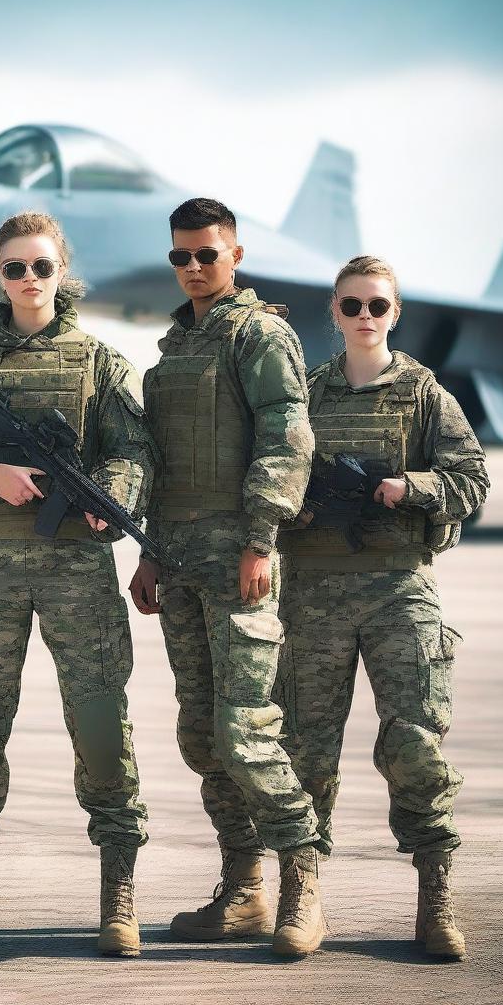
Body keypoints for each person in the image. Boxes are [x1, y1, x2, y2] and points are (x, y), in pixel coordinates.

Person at [0, 211, 155, 957]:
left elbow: (134, 454)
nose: (29, 280)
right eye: (15, 267)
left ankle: (118, 893)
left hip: (78, 572)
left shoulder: (101, 364)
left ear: (61, 272)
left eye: (41, 266)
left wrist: (109, 500)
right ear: (0, 275)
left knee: (102, 729)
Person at [275, 254, 490, 960]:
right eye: (350, 306)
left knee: (416, 745)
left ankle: (436, 898)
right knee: (306, 749)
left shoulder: (426, 394)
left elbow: (471, 481)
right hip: (313, 596)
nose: (364, 318)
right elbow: (268, 480)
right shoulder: (304, 395)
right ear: (332, 314)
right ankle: (301, 896)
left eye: (377, 306)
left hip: (400, 589)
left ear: (395, 314)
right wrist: (292, 512)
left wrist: (411, 488)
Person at [129, 197, 325, 957]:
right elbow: (163, 466)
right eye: (181, 256)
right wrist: (147, 552)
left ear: (235, 256)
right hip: (177, 562)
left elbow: (286, 436)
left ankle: (303, 883)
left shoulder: (259, 333)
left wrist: (261, 539)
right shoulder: (174, 350)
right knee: (202, 736)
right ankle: (244, 889)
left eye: (207, 254)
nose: (193, 268)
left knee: (247, 731)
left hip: (240, 560)